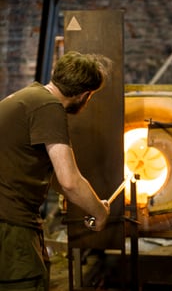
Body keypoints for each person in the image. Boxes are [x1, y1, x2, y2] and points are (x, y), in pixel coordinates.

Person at [0, 51, 112, 291]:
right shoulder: (49, 108)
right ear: (84, 95)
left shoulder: (28, 96)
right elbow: (70, 180)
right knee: (28, 283)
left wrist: (87, 203)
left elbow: (55, 177)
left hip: (7, 217)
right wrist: (101, 213)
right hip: (9, 223)